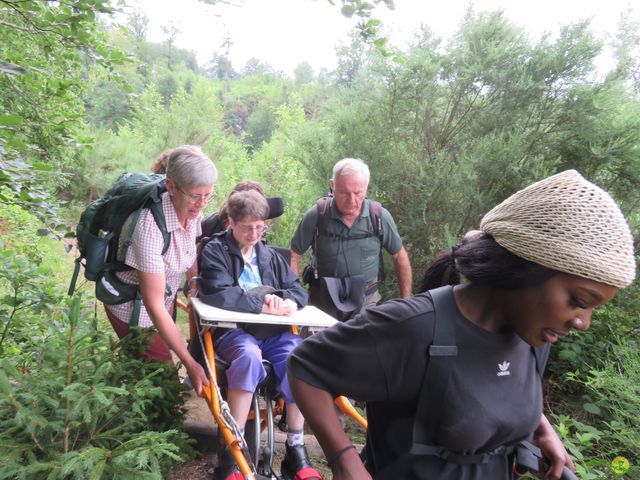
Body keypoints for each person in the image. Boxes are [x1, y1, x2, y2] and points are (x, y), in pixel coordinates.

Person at [287, 170, 636, 480]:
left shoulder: (533, 337)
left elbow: (489, 391)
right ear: (526, 269)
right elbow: (305, 365)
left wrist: (537, 428)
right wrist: (345, 462)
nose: (583, 323)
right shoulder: (412, 328)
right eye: (579, 301)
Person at [198, 190, 323, 480]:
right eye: (247, 227)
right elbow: (219, 293)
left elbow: (295, 289)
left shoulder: (269, 255)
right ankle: (234, 452)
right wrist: (265, 305)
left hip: (274, 334)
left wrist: (290, 301)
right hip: (234, 333)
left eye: (260, 227)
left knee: (299, 359)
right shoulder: (215, 250)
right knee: (249, 357)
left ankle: (295, 449)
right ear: (231, 222)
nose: (254, 233)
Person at [104, 145, 217, 396]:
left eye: (208, 195)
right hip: (134, 307)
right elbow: (152, 304)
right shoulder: (149, 226)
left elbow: (190, 245)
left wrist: (194, 280)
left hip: (164, 297)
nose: (202, 204)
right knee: (163, 381)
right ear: (172, 187)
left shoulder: (192, 209)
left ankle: (129, 398)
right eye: (196, 195)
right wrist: (189, 362)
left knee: (145, 371)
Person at [290, 158, 412, 318]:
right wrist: (295, 297)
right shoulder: (318, 215)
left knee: (363, 343)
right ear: (332, 185)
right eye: (344, 193)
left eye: (358, 193)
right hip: (322, 301)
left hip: (366, 302)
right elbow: (293, 255)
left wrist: (407, 303)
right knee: (318, 343)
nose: (352, 200)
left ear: (366, 188)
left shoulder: (379, 217)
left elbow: (399, 256)